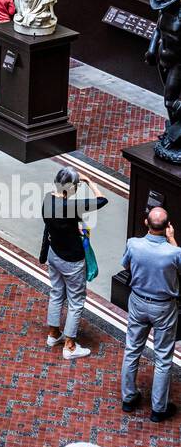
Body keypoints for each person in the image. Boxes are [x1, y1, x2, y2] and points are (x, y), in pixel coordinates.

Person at [120, 206, 181, 422]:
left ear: (146, 222)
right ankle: (158, 409)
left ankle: (128, 398)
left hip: (137, 301)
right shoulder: (174, 252)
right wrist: (172, 240)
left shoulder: (134, 244)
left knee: (132, 349)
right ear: (167, 227)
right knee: (163, 357)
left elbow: (126, 265)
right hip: (164, 307)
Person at [42, 166, 107, 360]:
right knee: (76, 301)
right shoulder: (72, 207)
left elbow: (58, 223)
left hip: (53, 254)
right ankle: (69, 346)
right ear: (69, 188)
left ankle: (53, 334)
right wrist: (89, 182)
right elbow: (102, 200)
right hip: (72, 260)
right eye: (76, 186)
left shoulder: (47, 199)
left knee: (56, 293)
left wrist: (73, 230)